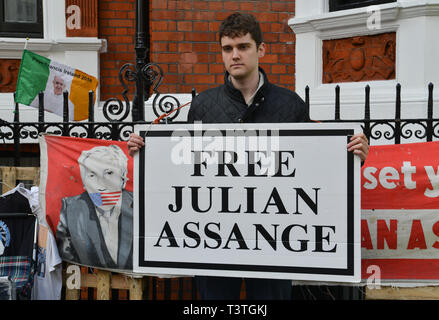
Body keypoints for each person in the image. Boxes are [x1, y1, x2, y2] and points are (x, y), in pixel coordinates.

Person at [127, 13, 369, 299]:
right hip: (212, 242)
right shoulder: (204, 106)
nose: (235, 55)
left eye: (243, 47)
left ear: (261, 50)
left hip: (275, 243)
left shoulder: (289, 104)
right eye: (228, 49)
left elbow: (312, 166)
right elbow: (184, 169)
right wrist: (146, 152)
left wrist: (354, 156)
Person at [56, 145, 133, 270]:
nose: (101, 185)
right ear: (84, 182)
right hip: (90, 283)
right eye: (92, 175)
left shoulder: (139, 205)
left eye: (109, 173)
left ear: (123, 176)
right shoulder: (71, 208)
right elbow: (66, 254)